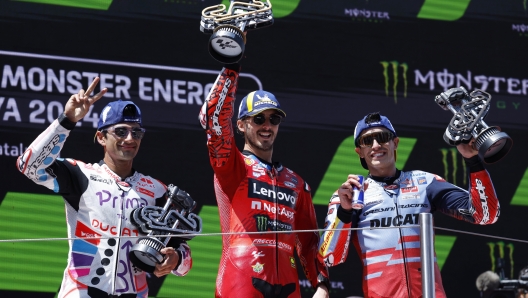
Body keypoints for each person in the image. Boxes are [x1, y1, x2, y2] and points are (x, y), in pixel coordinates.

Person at [16, 77, 192, 298]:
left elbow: (184, 257)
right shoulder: (81, 174)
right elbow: (29, 166)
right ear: (101, 137)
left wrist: (176, 259)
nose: (130, 138)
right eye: (120, 131)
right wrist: (67, 120)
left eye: (136, 132)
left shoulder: (157, 190)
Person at [317, 111, 501, 298]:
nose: (376, 145)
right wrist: (345, 212)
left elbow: (485, 215)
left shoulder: (425, 182)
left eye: (382, 137)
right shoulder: (352, 194)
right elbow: (330, 258)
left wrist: (473, 160)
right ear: (360, 152)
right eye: (367, 141)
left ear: (395, 143)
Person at [198, 63, 330, 298]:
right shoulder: (232, 166)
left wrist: (321, 284)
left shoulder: (296, 182)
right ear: (241, 125)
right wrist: (232, 65)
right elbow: (213, 118)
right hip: (240, 281)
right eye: (258, 119)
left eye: (274, 119)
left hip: (288, 287)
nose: (267, 125)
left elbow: (309, 241)